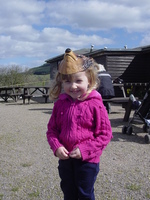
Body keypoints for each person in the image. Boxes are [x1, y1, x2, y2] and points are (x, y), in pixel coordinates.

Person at [46, 48, 112, 200]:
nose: (73, 86)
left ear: (90, 80)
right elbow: (52, 131)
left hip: (87, 161)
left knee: (84, 194)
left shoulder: (96, 104)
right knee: (68, 192)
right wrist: (56, 147)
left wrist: (85, 150)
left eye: (78, 80)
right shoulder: (60, 104)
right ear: (61, 81)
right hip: (65, 160)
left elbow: (105, 134)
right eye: (68, 81)